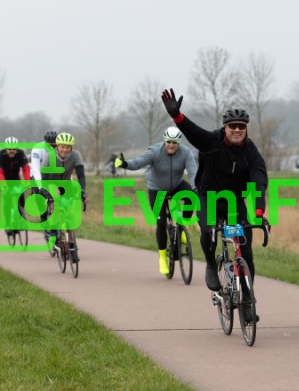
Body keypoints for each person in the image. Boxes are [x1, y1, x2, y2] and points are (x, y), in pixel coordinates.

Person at [161, 88, 269, 307]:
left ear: (246, 129)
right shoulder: (212, 141)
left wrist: (258, 212)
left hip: (234, 201)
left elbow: (259, 181)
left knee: (245, 250)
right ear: (225, 127)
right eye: (233, 126)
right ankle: (211, 263)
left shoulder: (250, 151)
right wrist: (177, 116)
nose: (237, 130)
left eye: (241, 126)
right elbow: (193, 132)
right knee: (209, 231)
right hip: (207, 197)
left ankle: (247, 298)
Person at [115, 126, 199, 275]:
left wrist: (195, 187)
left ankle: (183, 226)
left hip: (176, 185)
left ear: (178, 143)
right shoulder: (154, 151)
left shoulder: (185, 153)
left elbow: (193, 172)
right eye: (168, 142)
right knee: (161, 223)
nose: (171, 145)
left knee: (192, 195)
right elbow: (139, 162)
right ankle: (162, 257)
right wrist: (125, 164)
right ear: (164, 141)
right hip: (157, 188)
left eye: (174, 142)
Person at [0, 136, 31, 236]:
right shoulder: (0, 155)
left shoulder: (20, 154)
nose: (11, 151)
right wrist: (3, 185)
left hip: (15, 179)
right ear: (6, 149)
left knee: (21, 197)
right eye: (9, 149)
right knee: (7, 201)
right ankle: (8, 224)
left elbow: (26, 168)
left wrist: (27, 181)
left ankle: (21, 217)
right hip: (3, 180)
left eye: (14, 149)